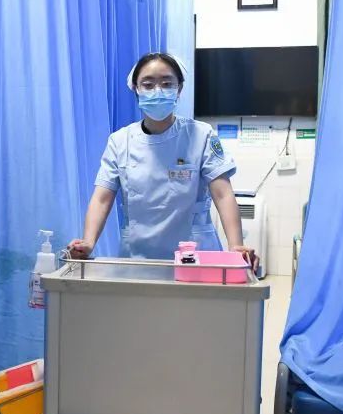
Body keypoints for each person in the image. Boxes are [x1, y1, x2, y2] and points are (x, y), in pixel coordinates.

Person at [68, 52, 259, 271]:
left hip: (195, 252)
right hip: (139, 255)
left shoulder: (201, 135)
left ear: (179, 89)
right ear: (136, 89)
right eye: (148, 84)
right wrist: (88, 242)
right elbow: (102, 198)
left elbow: (222, 194)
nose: (157, 91)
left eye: (167, 83)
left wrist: (236, 246)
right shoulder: (120, 141)